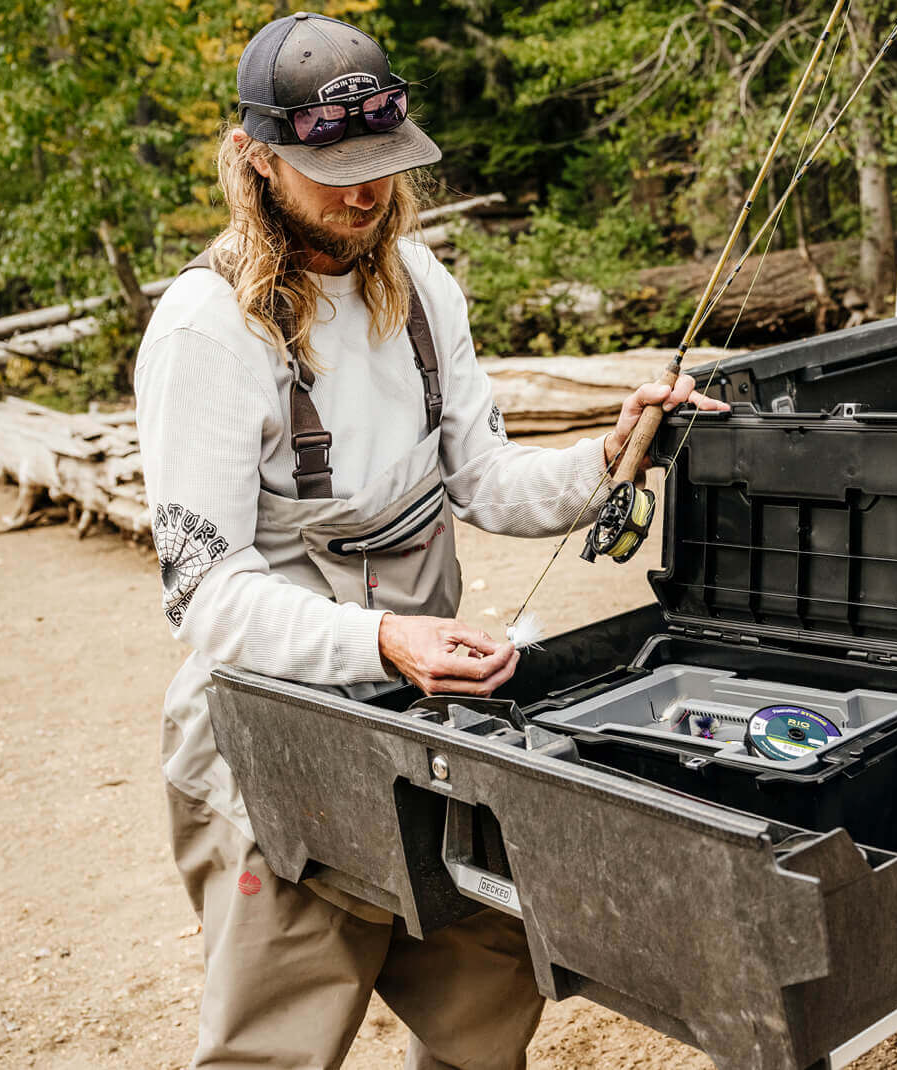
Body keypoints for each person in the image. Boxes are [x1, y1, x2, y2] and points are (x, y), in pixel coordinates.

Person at [134, 12, 726, 1068]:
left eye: (380, 164)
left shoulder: (421, 285)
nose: (362, 192)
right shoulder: (204, 331)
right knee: (276, 1039)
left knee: (491, 977)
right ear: (255, 158)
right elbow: (206, 595)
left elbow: (486, 482)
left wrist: (611, 454)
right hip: (272, 745)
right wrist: (388, 639)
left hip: (421, 725)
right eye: (331, 168)